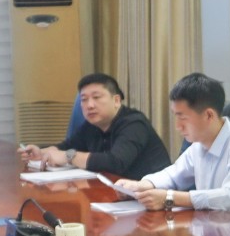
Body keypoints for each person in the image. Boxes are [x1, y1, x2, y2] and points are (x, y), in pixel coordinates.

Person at [114, 72, 230, 213]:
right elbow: (173, 175)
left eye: (183, 118)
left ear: (209, 115)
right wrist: (141, 186)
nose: (178, 126)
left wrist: (170, 198)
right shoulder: (199, 144)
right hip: (217, 226)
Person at [21, 73, 171, 180]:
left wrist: (69, 157)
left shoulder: (134, 124)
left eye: (96, 97)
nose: (90, 105)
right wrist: (42, 152)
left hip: (153, 199)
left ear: (116, 100)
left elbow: (116, 163)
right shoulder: (92, 125)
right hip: (115, 193)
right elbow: (67, 146)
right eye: (84, 99)